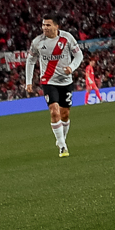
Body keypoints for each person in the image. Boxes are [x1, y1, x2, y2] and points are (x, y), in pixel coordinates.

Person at [23, 16, 85, 156]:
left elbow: (79, 55)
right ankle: (63, 147)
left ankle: (62, 138)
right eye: (43, 25)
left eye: (48, 25)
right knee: (54, 111)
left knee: (65, 114)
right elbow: (30, 61)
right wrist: (28, 81)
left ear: (56, 26)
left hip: (66, 81)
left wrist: (72, 67)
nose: (45, 27)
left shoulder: (67, 38)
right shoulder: (37, 42)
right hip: (48, 81)